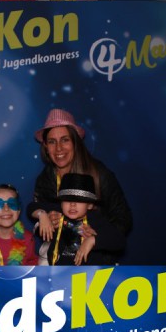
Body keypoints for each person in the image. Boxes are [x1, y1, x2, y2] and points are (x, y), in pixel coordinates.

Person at [27, 108, 131, 256]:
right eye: (52, 142)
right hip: (60, 258)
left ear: (75, 142)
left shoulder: (98, 174)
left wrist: (97, 237)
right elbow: (38, 222)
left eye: (65, 140)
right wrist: (48, 222)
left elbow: (123, 218)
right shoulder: (45, 179)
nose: (58, 148)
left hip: (96, 257)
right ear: (45, 146)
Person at [47, 173, 126, 266]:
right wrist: (42, 215)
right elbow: (34, 207)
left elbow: (120, 241)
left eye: (79, 200)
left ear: (90, 205)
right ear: (61, 203)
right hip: (60, 272)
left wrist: (93, 240)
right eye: (67, 200)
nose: (72, 204)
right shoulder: (57, 217)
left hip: (90, 273)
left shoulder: (95, 219)